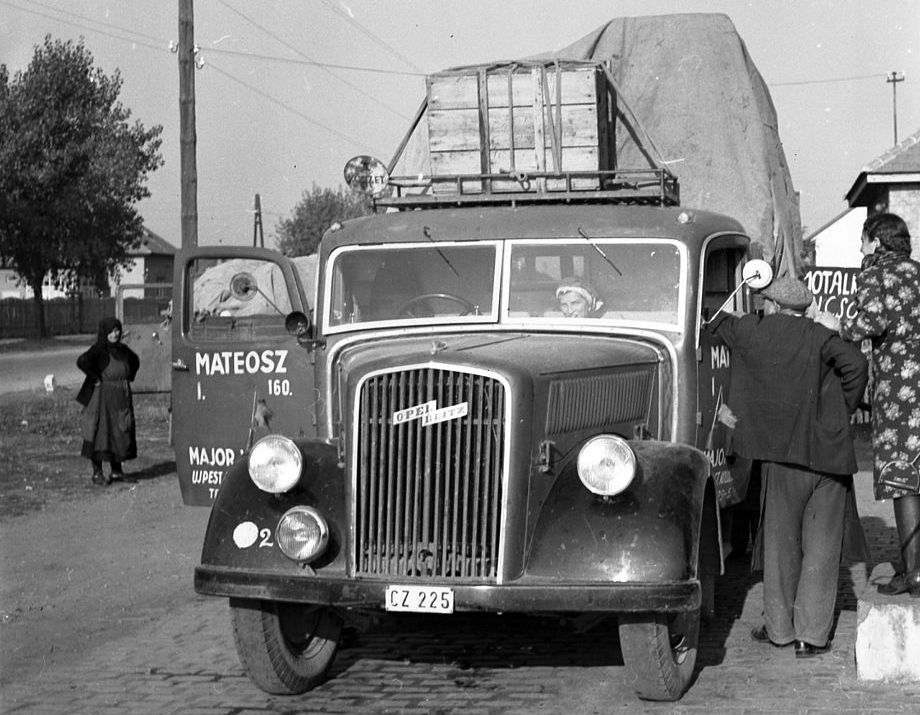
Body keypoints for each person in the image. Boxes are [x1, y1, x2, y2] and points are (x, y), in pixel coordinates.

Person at [708, 274, 868, 658]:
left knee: (781, 544)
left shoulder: (752, 330)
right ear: (803, 308)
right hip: (827, 458)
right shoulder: (820, 336)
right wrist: (838, 412)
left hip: (781, 457)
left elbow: (715, 325)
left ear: (775, 305)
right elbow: (857, 366)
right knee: (822, 547)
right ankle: (809, 637)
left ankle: (779, 629)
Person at [816, 212, 920, 597]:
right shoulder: (917, 271)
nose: (861, 248)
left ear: (877, 241)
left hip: (900, 389)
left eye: (863, 241)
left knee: (903, 476)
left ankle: (914, 574)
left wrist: (836, 325)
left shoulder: (875, 273)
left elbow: (871, 322)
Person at [76, 317, 140, 485]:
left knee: (119, 431)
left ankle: (117, 472)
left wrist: (128, 377)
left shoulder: (123, 350)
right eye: (111, 331)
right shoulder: (99, 350)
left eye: (117, 330)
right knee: (99, 433)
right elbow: (82, 361)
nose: (115, 334)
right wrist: (95, 377)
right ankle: (97, 474)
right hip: (101, 399)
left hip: (120, 398)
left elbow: (135, 361)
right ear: (105, 332)